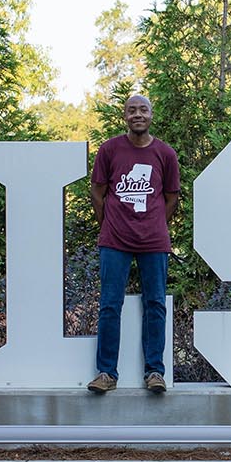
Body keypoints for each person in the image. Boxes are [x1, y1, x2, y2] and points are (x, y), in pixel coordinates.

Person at [88, 93, 181, 395]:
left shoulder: (165, 154)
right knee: (109, 306)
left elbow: (171, 197)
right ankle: (106, 374)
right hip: (115, 239)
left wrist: (156, 224)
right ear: (124, 116)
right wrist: (109, 224)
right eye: (132, 110)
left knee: (155, 304)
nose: (137, 115)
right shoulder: (110, 150)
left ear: (152, 115)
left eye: (143, 110)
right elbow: (97, 192)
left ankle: (154, 371)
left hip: (154, 240)